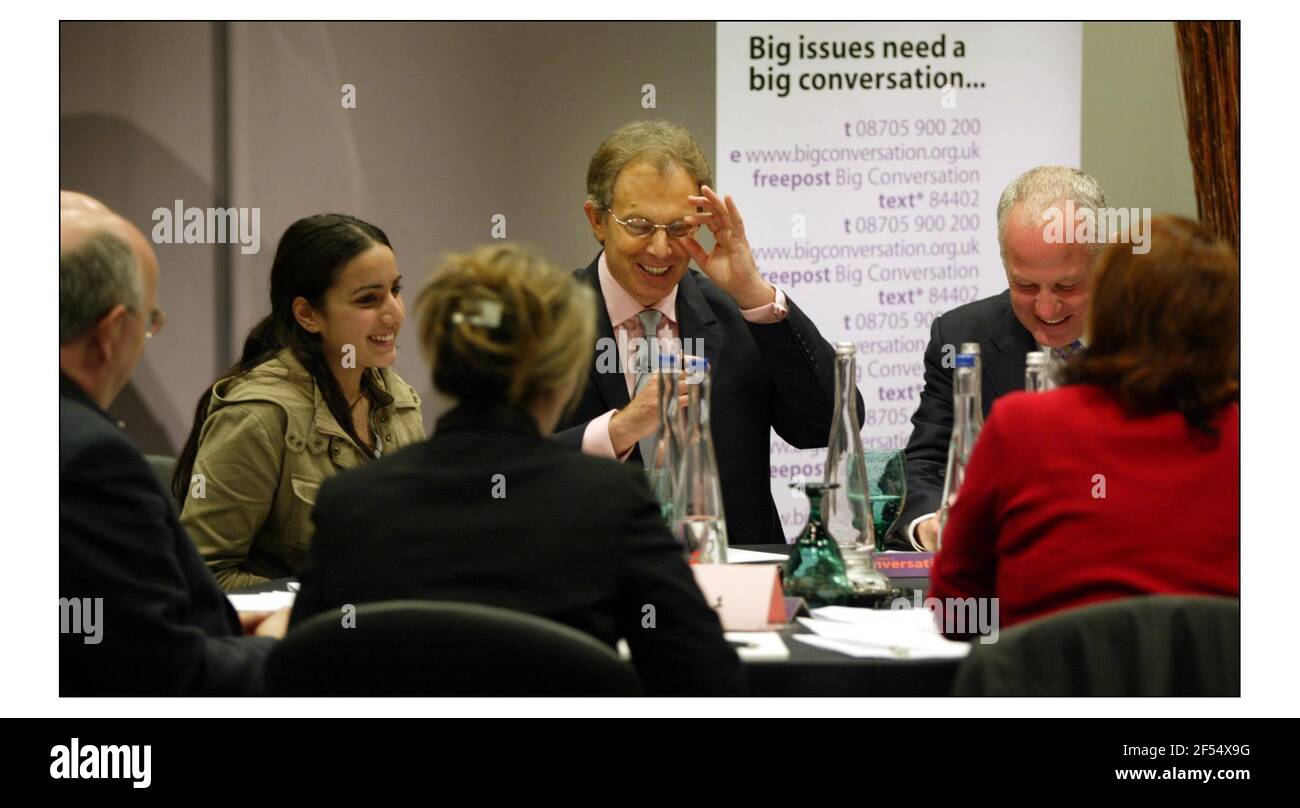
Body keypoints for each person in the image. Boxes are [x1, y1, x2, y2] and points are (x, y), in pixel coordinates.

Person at [290, 244, 745, 695]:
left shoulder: (350, 501)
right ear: (564, 369)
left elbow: (303, 677)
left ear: (441, 360)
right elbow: (706, 681)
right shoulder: (609, 501)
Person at [555, 119, 860, 544]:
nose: (661, 249)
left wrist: (754, 292)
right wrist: (619, 430)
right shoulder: (540, 323)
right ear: (597, 220)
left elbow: (827, 424)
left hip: (734, 589)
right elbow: (501, 469)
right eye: (640, 225)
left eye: (680, 228)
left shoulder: (742, 314)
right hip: (590, 588)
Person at [930, 215, 1239, 632]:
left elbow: (954, 610)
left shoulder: (1020, 426)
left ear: (1105, 307)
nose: (1048, 306)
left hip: (1044, 688)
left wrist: (1022, 627)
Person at [59, 192, 285, 695]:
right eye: (150, 320)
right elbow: (162, 680)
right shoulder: (91, 461)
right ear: (113, 331)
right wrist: (279, 646)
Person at [175, 214, 425, 591]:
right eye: (369, 300)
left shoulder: (398, 398)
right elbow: (204, 576)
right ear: (308, 314)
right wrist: (319, 602)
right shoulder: (258, 416)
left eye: (396, 290)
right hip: (291, 640)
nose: (396, 313)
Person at [887, 165, 1108, 550]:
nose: (1047, 307)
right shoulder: (961, 338)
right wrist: (931, 526)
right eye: (1024, 285)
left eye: (1067, 285)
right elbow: (928, 465)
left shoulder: (1161, 340)